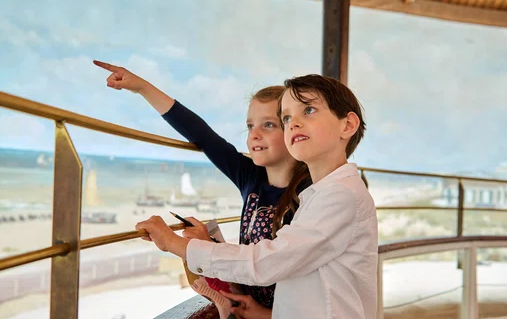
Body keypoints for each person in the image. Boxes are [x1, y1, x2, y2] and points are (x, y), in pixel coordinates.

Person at [135, 74, 379, 319]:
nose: (293, 123)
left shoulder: (339, 196)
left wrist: (174, 243)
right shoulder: (319, 194)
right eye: (286, 117)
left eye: (309, 110)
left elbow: (268, 261)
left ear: (347, 125)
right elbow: (302, 280)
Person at [94, 60, 311, 318]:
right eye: (250, 125)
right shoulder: (249, 176)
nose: (254, 135)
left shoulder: (310, 190)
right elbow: (202, 134)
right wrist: (142, 88)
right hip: (247, 301)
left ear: (292, 129)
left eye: (269, 125)